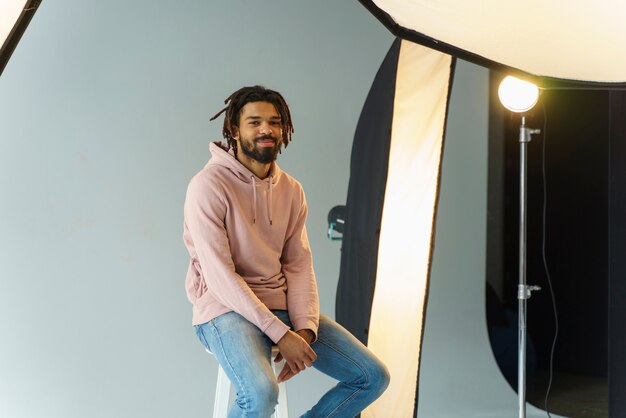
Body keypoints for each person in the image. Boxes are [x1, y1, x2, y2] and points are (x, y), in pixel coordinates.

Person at [183, 85, 389, 418]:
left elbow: (298, 265)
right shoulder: (207, 186)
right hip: (224, 310)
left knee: (371, 377)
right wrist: (282, 335)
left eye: (274, 122)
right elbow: (220, 278)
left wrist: (304, 329)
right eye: (254, 122)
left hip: (280, 308)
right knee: (262, 393)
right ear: (234, 129)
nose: (267, 130)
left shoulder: (291, 190)